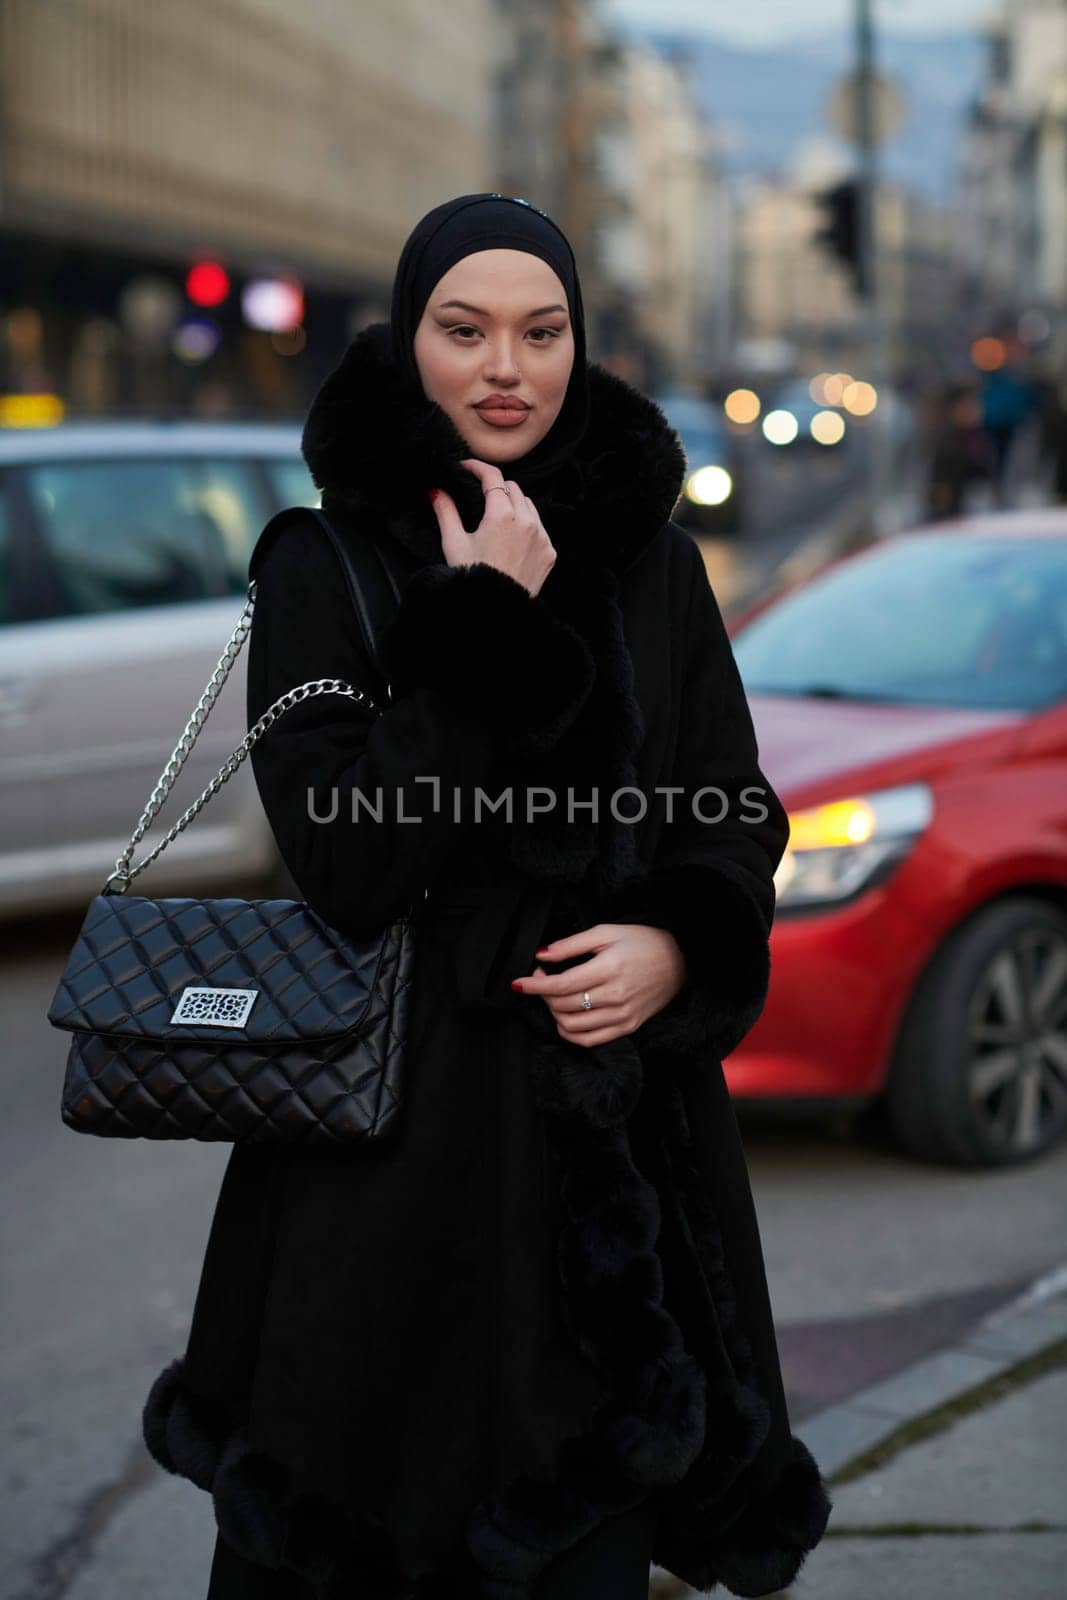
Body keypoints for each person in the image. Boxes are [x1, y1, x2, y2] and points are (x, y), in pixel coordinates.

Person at [142, 193, 832, 1599]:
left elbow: (731, 805)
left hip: (613, 1171)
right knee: (360, 1542)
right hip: (388, 1167)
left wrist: (674, 944)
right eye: (464, 331)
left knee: (584, 1542)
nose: (506, 367)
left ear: (582, 340)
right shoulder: (320, 565)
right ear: (410, 341)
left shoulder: (651, 556)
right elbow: (348, 859)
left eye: (543, 331)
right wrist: (484, 628)